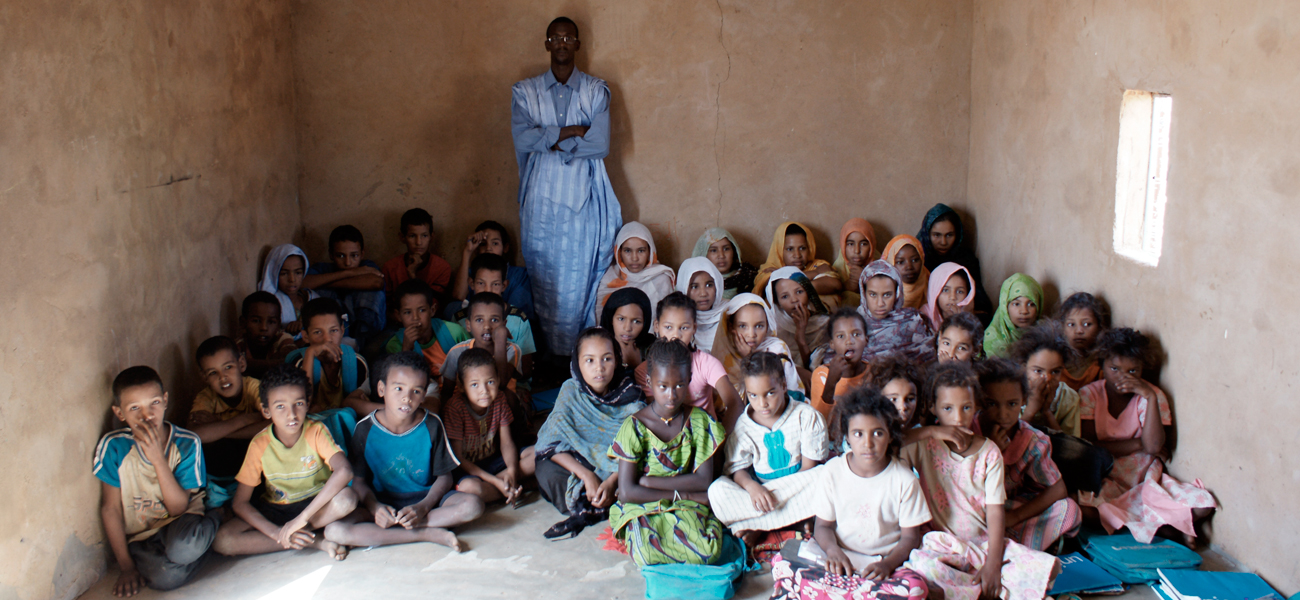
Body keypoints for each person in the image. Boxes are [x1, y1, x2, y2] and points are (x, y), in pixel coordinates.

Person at [512, 16, 622, 357]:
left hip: (583, 198)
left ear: (577, 44)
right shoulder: (525, 92)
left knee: (580, 279)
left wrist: (548, 140)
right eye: (555, 38)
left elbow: (600, 144)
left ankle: (580, 356)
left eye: (568, 37)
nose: (561, 43)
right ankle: (544, 357)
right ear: (547, 43)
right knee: (544, 277)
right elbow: (522, 137)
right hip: (540, 202)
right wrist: (570, 132)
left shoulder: (595, 90)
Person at [902, 362, 1060, 600]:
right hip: (941, 545)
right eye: (947, 408)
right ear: (933, 408)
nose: (958, 417)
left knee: (1050, 568)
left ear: (976, 406)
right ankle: (980, 590)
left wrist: (993, 564)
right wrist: (931, 432)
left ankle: (968, 589)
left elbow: (996, 513)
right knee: (923, 567)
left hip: (982, 545)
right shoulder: (924, 444)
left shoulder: (989, 452)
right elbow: (891, 443)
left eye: (966, 407)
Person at [770, 387, 930, 600]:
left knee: (916, 588)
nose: (868, 443)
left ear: (890, 435)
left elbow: (911, 537)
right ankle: (854, 593)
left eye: (878, 433)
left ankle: (840, 593)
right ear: (846, 436)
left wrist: (887, 564)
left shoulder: (904, 480)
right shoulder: (833, 471)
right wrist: (833, 552)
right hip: (839, 558)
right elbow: (823, 526)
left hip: (884, 563)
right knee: (782, 563)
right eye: (858, 434)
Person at [325, 352, 483, 551]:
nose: (406, 398)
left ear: (424, 395)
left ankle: (399, 531)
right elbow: (359, 481)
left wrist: (423, 507)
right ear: (381, 389)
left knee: (473, 506)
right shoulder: (365, 429)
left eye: (416, 391)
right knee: (335, 530)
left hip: (424, 499)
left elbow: (444, 477)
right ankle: (427, 533)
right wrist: (375, 508)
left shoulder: (432, 424)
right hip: (383, 502)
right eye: (398, 388)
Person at [1077, 328, 1217, 545]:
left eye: (1133, 371)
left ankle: (1164, 527)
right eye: (1114, 368)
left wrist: (1150, 397)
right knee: (1084, 510)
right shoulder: (1090, 394)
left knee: (1202, 505)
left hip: (1143, 476)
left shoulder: (1152, 395)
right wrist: (1137, 444)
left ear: (1143, 370)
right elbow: (1089, 446)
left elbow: (1152, 447)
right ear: (1101, 365)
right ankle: (1170, 529)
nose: (1123, 377)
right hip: (1106, 475)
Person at [212, 365, 356, 561]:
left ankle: (300, 533)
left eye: (298, 403)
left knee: (347, 499)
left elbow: (345, 472)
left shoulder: (316, 431)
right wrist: (277, 532)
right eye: (280, 406)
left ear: (307, 403)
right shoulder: (259, 444)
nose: (291, 414)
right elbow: (240, 503)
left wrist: (301, 519)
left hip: (316, 505)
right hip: (277, 508)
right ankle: (313, 541)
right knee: (223, 540)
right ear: (266, 410)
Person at [94, 367, 215, 596]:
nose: (147, 415)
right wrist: (127, 567)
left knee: (183, 548)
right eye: (134, 408)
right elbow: (110, 509)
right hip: (144, 535)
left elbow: (178, 507)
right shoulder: (114, 447)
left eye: (154, 403)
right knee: (163, 579)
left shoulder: (187, 443)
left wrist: (158, 460)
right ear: (120, 413)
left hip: (182, 521)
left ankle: (215, 521)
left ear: (165, 400)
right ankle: (184, 556)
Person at [609, 339, 727, 566]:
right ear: (649, 382)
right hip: (645, 505)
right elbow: (626, 492)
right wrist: (683, 494)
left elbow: (703, 481)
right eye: (663, 386)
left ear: (690, 380)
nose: (671, 395)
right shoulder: (634, 427)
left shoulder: (700, 422)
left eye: (680, 385)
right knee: (646, 553)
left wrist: (649, 482)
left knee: (707, 552)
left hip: (686, 505)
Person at [533, 327, 644, 539]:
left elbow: (638, 450)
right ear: (577, 363)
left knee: (645, 471)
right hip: (581, 465)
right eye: (590, 360)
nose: (599, 368)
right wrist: (587, 475)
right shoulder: (571, 391)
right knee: (546, 470)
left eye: (607, 359)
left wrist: (611, 482)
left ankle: (602, 496)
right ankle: (601, 499)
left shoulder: (630, 398)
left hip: (616, 470)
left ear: (617, 360)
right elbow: (549, 444)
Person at [707, 351, 828, 542]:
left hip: (797, 487)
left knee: (825, 476)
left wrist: (781, 493)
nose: (762, 403)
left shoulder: (806, 416)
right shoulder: (744, 427)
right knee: (717, 491)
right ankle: (794, 520)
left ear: (783, 385)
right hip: (761, 495)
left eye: (770, 393)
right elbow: (738, 471)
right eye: (753, 395)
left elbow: (808, 470)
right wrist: (753, 487)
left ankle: (759, 526)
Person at [975, 358, 1082, 551]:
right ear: (979, 401)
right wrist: (991, 452)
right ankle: (1011, 548)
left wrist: (1015, 517)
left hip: (1012, 510)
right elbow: (962, 488)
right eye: (992, 404)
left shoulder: (1033, 441)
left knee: (1069, 509)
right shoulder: (969, 432)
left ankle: (1009, 546)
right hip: (976, 508)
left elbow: (1058, 489)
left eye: (1012, 404)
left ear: (1024, 400)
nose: (1003, 414)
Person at [634, 292, 743, 431]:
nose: (676, 335)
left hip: (706, 436)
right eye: (668, 327)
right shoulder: (644, 371)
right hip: (667, 436)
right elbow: (656, 414)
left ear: (694, 328)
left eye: (684, 328)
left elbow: (735, 403)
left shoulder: (706, 363)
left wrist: (720, 442)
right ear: (656, 326)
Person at [188, 337, 268, 508]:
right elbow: (195, 435)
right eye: (213, 373)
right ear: (204, 377)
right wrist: (245, 419)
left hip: (255, 462)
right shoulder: (206, 397)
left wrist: (221, 428)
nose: (223, 378)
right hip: (226, 463)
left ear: (241, 364)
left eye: (228, 367)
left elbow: (272, 425)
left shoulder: (254, 388)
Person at [446, 348, 533, 504]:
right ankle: (515, 487)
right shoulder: (455, 408)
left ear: (498, 380)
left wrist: (512, 471)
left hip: (494, 462)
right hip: (470, 470)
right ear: (461, 385)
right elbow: (458, 458)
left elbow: (506, 444)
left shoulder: (499, 399)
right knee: (471, 489)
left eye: (490, 382)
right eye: (474, 385)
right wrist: (495, 481)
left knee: (538, 453)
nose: (484, 391)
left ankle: (508, 486)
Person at [447, 253, 536, 379]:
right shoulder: (460, 319)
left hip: (512, 382)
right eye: (481, 283)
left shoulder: (518, 319)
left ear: (504, 285)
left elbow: (526, 370)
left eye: (495, 284)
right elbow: (455, 367)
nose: (488, 290)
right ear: (471, 284)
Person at [710, 293, 807, 395]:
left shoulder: (777, 349)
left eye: (759, 326)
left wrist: (749, 358)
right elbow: (726, 402)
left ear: (768, 326)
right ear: (731, 327)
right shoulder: (723, 353)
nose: (752, 334)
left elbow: (793, 393)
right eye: (742, 326)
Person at [304, 225, 386, 342]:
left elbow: (376, 283)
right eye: (340, 256)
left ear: (362, 254)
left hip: (365, 331)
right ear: (331, 254)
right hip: (330, 333)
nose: (348, 262)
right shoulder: (322, 268)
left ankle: (361, 343)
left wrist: (324, 282)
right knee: (320, 294)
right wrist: (350, 273)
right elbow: (302, 283)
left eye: (354, 255)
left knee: (371, 294)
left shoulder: (367, 266)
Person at [383, 279, 469, 390]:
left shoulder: (455, 333)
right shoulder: (395, 345)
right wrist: (406, 350)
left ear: (432, 310)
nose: (415, 318)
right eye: (408, 312)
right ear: (398, 316)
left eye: (422, 310)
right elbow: (399, 386)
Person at [287, 298, 369, 411]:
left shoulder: (357, 363)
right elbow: (301, 407)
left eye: (333, 330)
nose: (327, 339)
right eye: (318, 332)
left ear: (342, 330)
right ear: (305, 336)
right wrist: (310, 353)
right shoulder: (299, 363)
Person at [450, 220, 536, 324]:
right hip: (476, 325)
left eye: (495, 243)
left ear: (505, 248)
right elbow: (459, 296)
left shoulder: (519, 275)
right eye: (483, 244)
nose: (488, 248)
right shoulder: (471, 272)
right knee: (450, 309)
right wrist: (467, 252)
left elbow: (518, 315)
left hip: (507, 326)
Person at [441, 292, 523, 401]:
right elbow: (447, 393)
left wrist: (500, 340)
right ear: (468, 325)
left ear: (504, 324)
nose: (487, 326)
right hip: (467, 409)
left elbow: (501, 385)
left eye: (494, 320)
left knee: (511, 398)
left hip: (501, 409)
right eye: (479, 320)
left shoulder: (511, 350)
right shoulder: (457, 352)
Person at [917, 203, 992, 317]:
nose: (943, 242)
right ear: (927, 234)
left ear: (957, 235)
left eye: (949, 235)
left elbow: (981, 302)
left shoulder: (966, 260)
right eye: (936, 235)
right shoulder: (918, 260)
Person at [594, 221, 676, 323]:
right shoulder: (610, 277)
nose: (634, 258)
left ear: (650, 251)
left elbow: (668, 319)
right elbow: (601, 319)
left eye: (641, 250)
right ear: (619, 252)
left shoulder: (661, 279)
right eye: (627, 251)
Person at [856, 261, 934, 363]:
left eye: (887, 295)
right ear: (864, 293)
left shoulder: (913, 320)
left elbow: (929, 353)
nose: (880, 303)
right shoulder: (853, 323)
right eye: (873, 294)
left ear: (897, 293)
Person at [754, 222, 842, 310]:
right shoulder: (769, 270)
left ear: (809, 248)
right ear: (779, 250)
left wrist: (784, 279)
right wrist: (816, 273)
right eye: (790, 249)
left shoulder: (818, 264)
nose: (797, 255)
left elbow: (836, 285)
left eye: (802, 248)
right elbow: (772, 288)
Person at [765, 266, 831, 369]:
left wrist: (800, 337)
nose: (794, 300)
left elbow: (813, 368)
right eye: (785, 296)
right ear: (778, 304)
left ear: (808, 293)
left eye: (799, 292)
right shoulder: (772, 327)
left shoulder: (824, 323)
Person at [810, 308, 870, 421]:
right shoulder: (821, 374)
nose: (849, 341)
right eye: (841, 336)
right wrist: (831, 382)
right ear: (832, 344)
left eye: (856, 334)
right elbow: (817, 423)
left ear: (866, 340)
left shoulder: (874, 372)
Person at [381, 208, 453, 299]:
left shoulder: (442, 268)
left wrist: (412, 275)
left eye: (424, 236)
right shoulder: (390, 267)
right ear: (402, 237)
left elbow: (432, 305)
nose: (419, 242)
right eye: (412, 236)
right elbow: (387, 306)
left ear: (432, 237)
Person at [236, 291, 299, 379]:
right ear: (243, 323)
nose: (264, 328)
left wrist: (248, 364)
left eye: (271, 322)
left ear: (278, 325)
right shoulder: (240, 345)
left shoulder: (282, 338)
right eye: (256, 321)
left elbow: (291, 360)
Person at [259, 244, 317, 336]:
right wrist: (287, 331)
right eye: (284, 273)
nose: (292, 279)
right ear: (274, 273)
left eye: (298, 272)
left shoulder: (311, 297)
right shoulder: (271, 304)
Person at [983, 273, 1044, 358]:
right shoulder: (992, 338)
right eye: (1016, 304)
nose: (1024, 311)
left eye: (1031, 304)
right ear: (1005, 306)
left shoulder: (1045, 337)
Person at [1057, 292, 1109, 390]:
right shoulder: (1054, 359)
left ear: (1099, 327)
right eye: (1071, 324)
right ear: (1062, 327)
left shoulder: (1101, 366)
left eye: (1087, 324)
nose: (1079, 331)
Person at [692, 227, 759, 300]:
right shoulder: (691, 282)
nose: (721, 255)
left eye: (726, 249)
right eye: (714, 250)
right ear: (703, 254)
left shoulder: (750, 278)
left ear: (734, 251)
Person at [676, 256, 727, 352]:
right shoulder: (676, 318)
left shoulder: (729, 313)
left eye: (709, 285)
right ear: (683, 288)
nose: (703, 293)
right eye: (694, 287)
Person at [600, 287, 655, 370]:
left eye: (636, 321)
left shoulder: (653, 346)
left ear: (645, 322)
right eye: (621, 319)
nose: (627, 328)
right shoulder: (599, 346)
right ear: (611, 319)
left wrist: (635, 363)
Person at [831, 218, 878, 309]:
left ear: (871, 246)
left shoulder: (881, 269)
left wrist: (866, 280)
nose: (857, 251)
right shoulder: (836, 271)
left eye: (863, 244)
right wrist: (847, 286)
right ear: (843, 245)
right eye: (850, 244)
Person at [867, 356, 923, 432]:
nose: (903, 407)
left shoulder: (921, 434)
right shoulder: (864, 433)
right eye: (893, 399)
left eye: (910, 399)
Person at [921, 263, 976, 330]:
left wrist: (959, 323)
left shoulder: (970, 320)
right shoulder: (923, 316)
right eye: (945, 290)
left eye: (960, 291)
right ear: (935, 291)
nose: (953, 297)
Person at [881, 235, 929, 311]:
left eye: (914, 260)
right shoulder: (880, 290)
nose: (909, 267)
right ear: (890, 263)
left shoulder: (931, 283)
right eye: (900, 262)